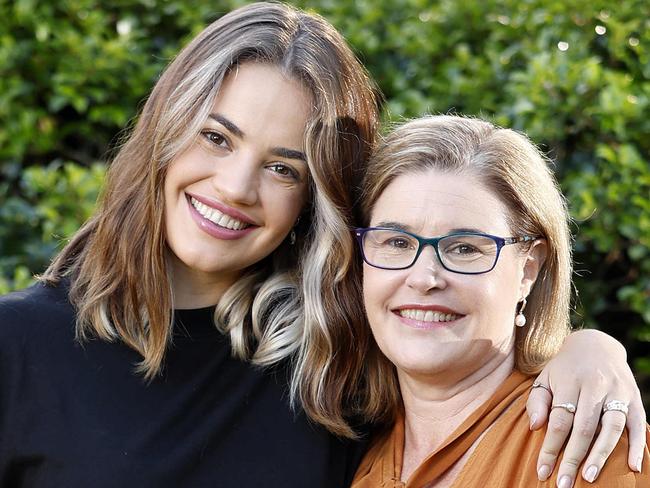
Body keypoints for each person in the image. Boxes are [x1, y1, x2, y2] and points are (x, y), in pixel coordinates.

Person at [0, 3, 644, 486]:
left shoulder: (332, 355)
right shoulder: (19, 347)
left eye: (284, 168)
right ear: (164, 132)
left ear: (315, 200)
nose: (235, 187)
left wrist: (587, 350)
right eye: (215, 138)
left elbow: (468, 339)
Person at [348, 115, 650, 487]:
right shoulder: (346, 445)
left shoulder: (583, 445)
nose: (424, 278)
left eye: (464, 248)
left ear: (528, 269)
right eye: (397, 242)